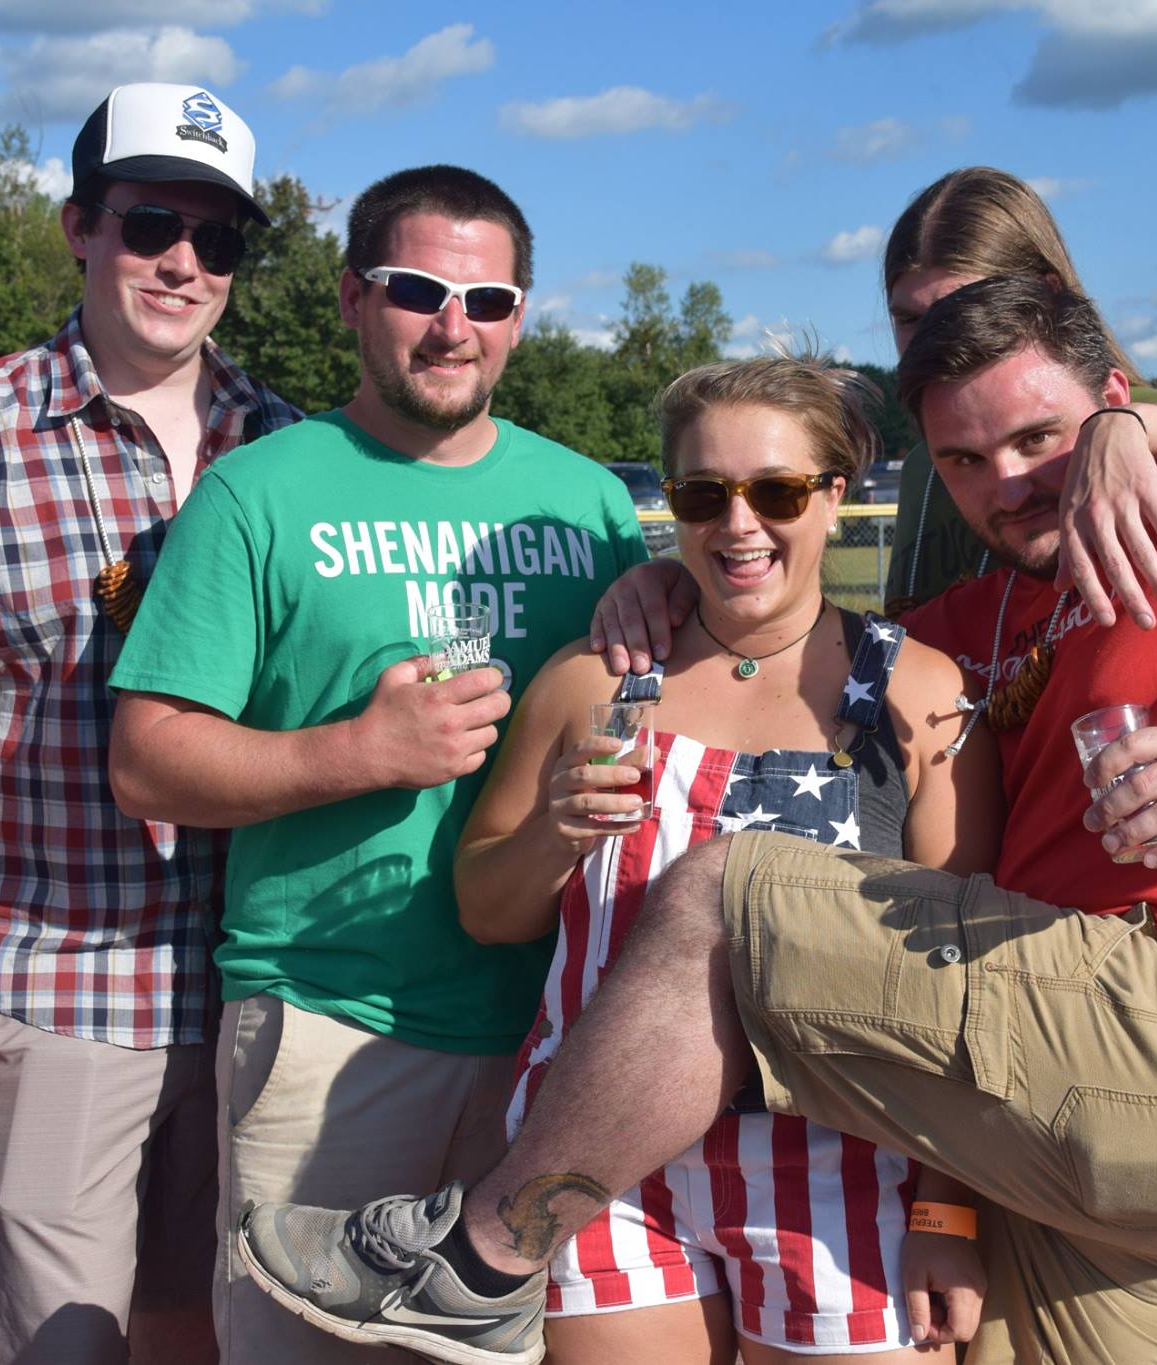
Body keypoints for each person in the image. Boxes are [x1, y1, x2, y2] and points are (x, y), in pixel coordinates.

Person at [234, 277, 1157, 1365]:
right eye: (966, 459)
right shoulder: (973, 632)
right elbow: (750, 648)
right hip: (1052, 1123)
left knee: (729, 892)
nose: (1008, 480)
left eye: (1042, 440)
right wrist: (658, 587)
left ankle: (482, 1250)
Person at [104, 165, 650, 1362]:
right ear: (353, 298)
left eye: (489, 300)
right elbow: (146, 763)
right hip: (327, 1012)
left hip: (549, 1034)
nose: (453, 326)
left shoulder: (590, 503)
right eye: (416, 290)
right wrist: (359, 752)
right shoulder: (257, 493)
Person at [0, 82, 299, 1362]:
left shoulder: (284, 446)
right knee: (65, 1345)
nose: (185, 263)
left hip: (259, 982)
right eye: (152, 222)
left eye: (221, 239)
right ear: (78, 227)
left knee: (207, 1329)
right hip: (60, 980)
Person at [456, 353, 1002, 1362]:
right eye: (703, 494)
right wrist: (551, 835)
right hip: (597, 1167)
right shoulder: (592, 682)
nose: (737, 524)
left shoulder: (917, 693)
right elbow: (487, 910)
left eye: (776, 491)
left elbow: (970, 987)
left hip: (840, 1165)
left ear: (835, 497)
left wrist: (947, 1214)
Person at [591, 166, 1157, 674]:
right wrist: (677, 581)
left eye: (961, 303)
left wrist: (1126, 428)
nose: (934, 337)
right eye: (909, 317)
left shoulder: (1124, 422)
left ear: (1046, 294)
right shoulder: (925, 462)